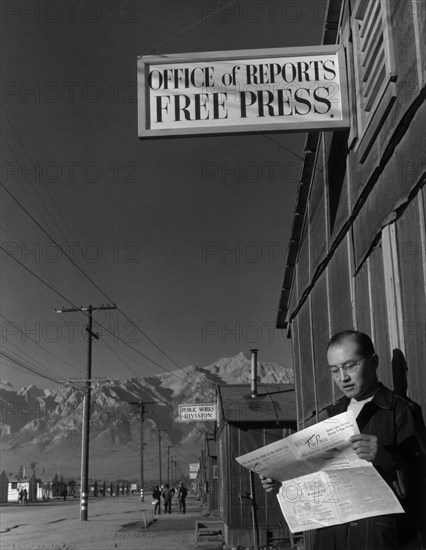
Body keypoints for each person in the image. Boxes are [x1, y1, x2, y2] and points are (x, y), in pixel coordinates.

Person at [260, 330, 426, 550]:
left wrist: (386, 458)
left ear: (373, 362)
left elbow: (421, 481)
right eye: (335, 370)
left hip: (379, 538)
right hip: (332, 536)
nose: (343, 377)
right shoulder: (330, 416)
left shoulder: (401, 411)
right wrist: (282, 478)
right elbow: (317, 478)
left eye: (350, 366)